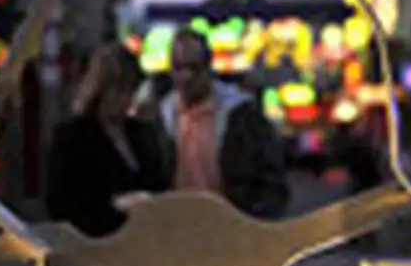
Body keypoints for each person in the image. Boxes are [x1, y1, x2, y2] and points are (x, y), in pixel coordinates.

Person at [122, 29, 289, 219]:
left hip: (231, 225)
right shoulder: (160, 117)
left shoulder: (241, 115)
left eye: (194, 68)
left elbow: (271, 176)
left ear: (208, 68)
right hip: (178, 224)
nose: (187, 77)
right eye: (179, 68)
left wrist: (256, 218)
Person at [45, 43, 165, 237]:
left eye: (130, 90)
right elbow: (61, 205)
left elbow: (158, 182)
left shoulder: (139, 132)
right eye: (119, 91)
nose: (125, 100)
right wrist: (114, 206)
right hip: (97, 240)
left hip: (143, 239)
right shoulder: (72, 137)